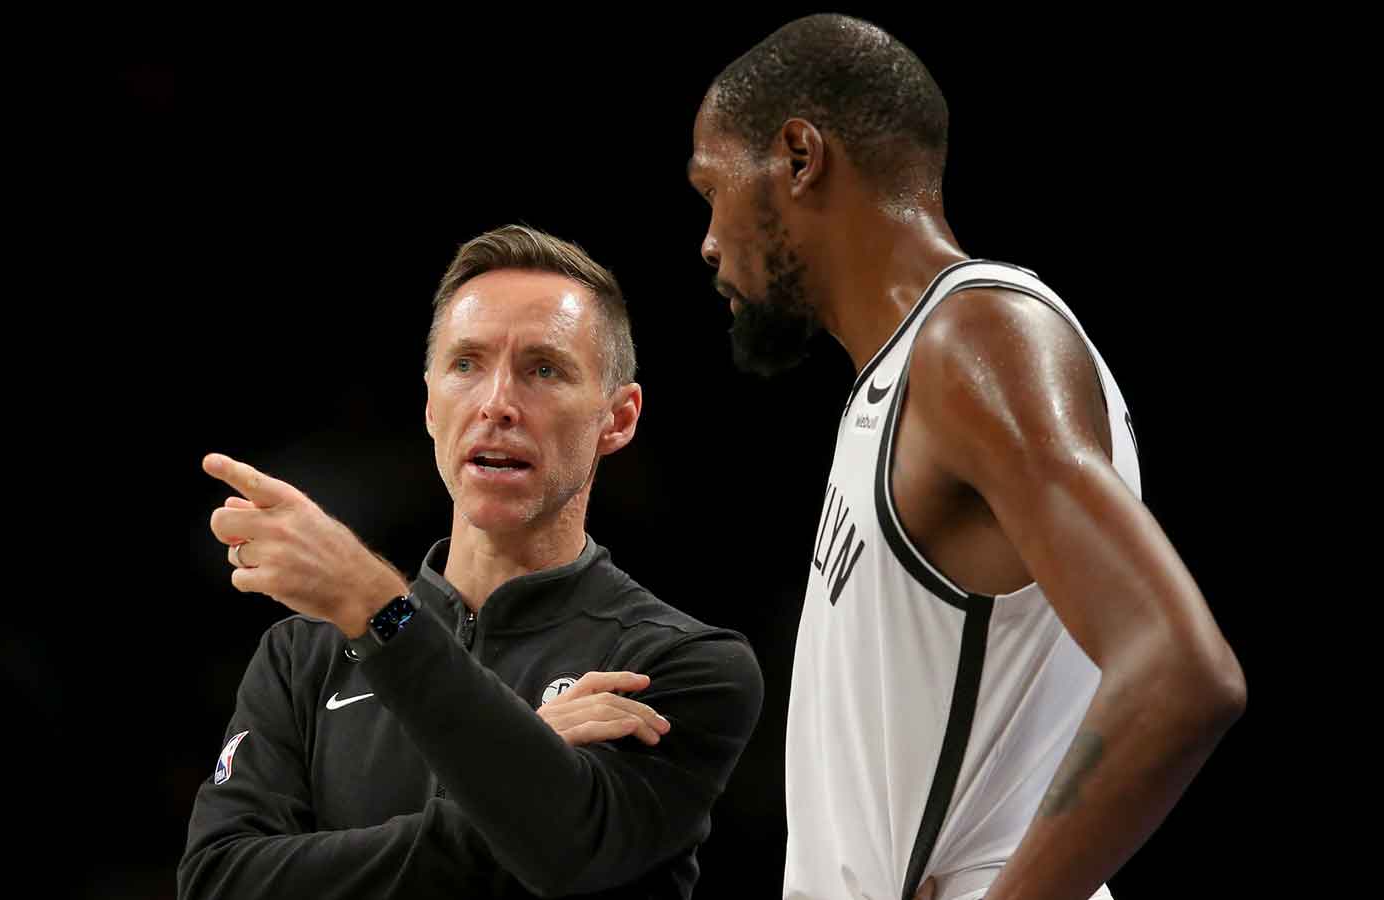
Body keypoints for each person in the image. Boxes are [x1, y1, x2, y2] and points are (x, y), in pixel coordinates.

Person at [685, 15, 1246, 900]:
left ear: (799, 156)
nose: (709, 242)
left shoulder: (976, 340)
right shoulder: (907, 375)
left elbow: (1180, 671)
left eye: (709, 188)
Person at [178, 224, 764, 899]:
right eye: (467, 365)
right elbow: (220, 884)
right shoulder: (301, 656)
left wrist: (380, 608)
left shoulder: (678, 665)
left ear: (619, 418)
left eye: (543, 369)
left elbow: (564, 852)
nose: (496, 404)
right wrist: (529, 758)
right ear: (430, 404)